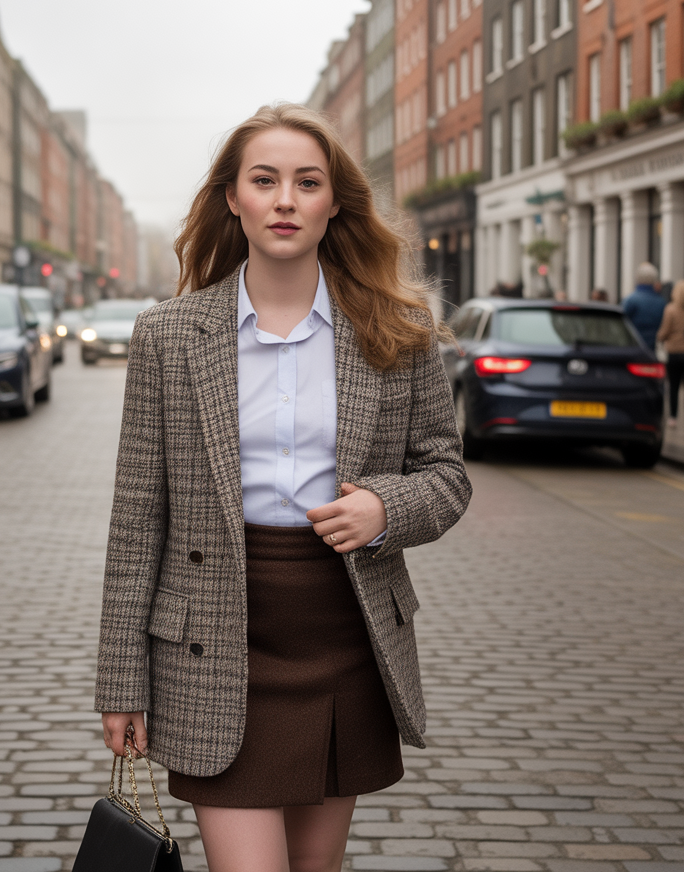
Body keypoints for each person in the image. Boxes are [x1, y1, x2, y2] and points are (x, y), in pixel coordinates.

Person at [94, 103, 472, 872]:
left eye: (307, 182)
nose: (285, 200)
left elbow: (447, 475)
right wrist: (121, 681)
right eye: (264, 181)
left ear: (335, 202)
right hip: (212, 644)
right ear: (233, 198)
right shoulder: (168, 335)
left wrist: (384, 507)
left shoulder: (397, 330)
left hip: (344, 633)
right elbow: (137, 521)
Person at [657, 279, 684, 430]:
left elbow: (664, 331)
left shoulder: (670, 309)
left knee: (674, 386)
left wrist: (660, 337)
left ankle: (673, 417)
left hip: (674, 352)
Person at [622, 262, 666, 350]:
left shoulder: (630, 300)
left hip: (633, 345)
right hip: (652, 346)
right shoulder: (661, 302)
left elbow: (622, 322)